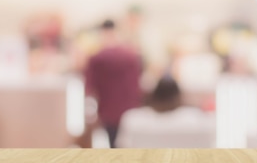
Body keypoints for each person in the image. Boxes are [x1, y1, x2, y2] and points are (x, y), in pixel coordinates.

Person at [84, 20, 142, 148]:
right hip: (129, 109)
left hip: (107, 110)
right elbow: (136, 85)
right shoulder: (131, 57)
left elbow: (90, 87)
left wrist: (90, 112)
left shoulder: (96, 59)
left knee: (113, 143)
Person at [116, 76, 215, 148]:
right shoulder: (199, 121)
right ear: (179, 98)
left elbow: (122, 148)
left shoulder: (133, 120)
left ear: (153, 97)